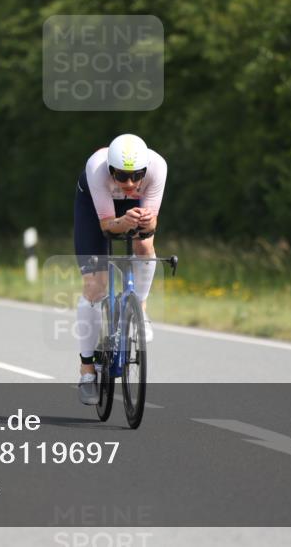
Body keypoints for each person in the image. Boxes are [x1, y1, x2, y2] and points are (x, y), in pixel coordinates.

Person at [72, 134, 166, 405]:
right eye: (122, 176)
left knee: (145, 248)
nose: (129, 183)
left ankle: (141, 309)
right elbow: (106, 228)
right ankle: (87, 369)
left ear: (145, 170)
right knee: (95, 287)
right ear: (110, 170)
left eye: (136, 176)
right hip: (94, 207)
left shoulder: (158, 166)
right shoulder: (97, 168)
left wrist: (145, 223)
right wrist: (121, 222)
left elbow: (151, 226)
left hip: (132, 206)